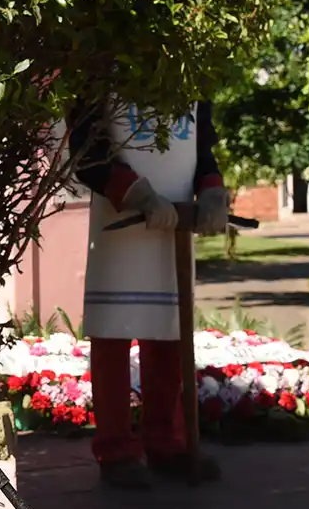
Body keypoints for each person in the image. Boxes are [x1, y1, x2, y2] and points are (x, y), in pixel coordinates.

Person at [70, 96, 227, 488]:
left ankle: (168, 444)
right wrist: (136, 194)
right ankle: (116, 450)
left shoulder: (190, 85)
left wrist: (211, 188)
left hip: (175, 227)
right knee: (113, 336)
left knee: (170, 336)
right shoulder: (102, 78)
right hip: (120, 225)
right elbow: (87, 153)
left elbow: (201, 149)